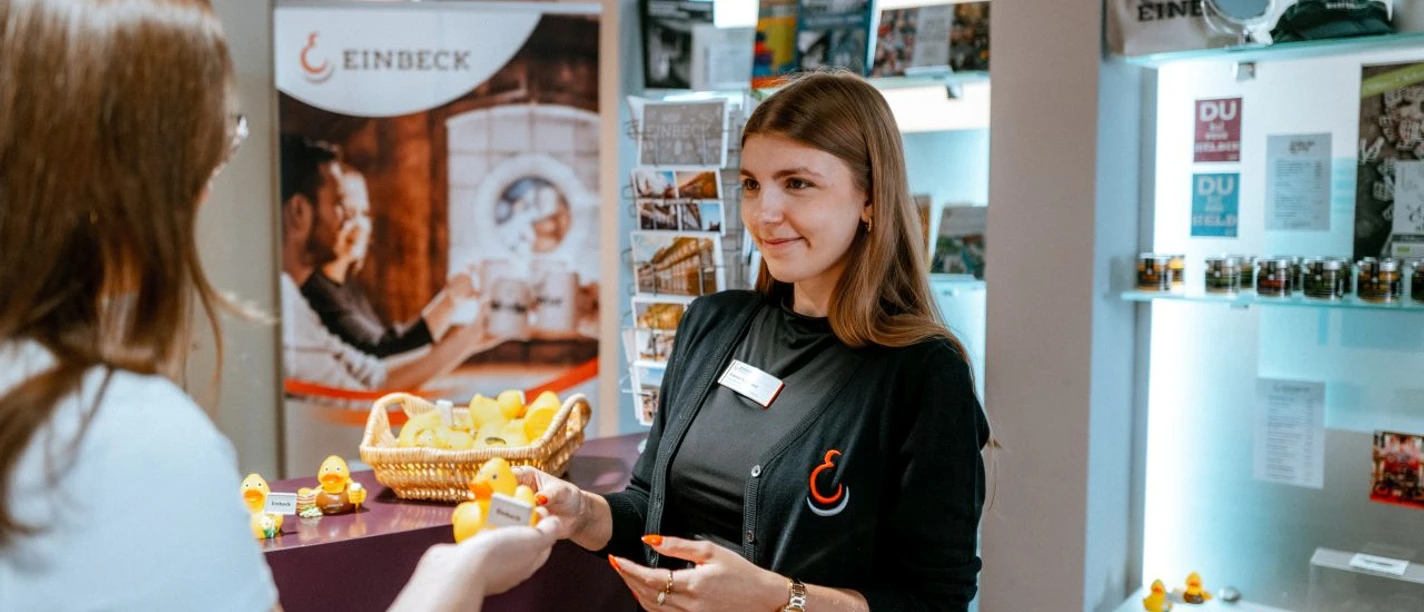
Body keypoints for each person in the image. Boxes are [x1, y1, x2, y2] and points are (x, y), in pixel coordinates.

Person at [0, 1, 558, 610]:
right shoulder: (135, 440)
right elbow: (374, 368)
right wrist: (456, 576)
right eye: (210, 147)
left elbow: (376, 355)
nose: (210, 189)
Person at [518, 71, 990, 611]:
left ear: (871, 199)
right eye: (750, 184)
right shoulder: (712, 325)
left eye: (797, 183)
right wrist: (581, 512)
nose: (764, 213)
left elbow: (936, 602)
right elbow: (649, 512)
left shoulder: (922, 374)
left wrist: (777, 599)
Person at [283, 138, 477, 359]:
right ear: (299, 211)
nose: (352, 223)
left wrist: (469, 336)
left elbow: (380, 360)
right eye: (343, 207)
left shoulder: (348, 287)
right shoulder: (312, 291)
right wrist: (451, 302)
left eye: (362, 214)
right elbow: (383, 354)